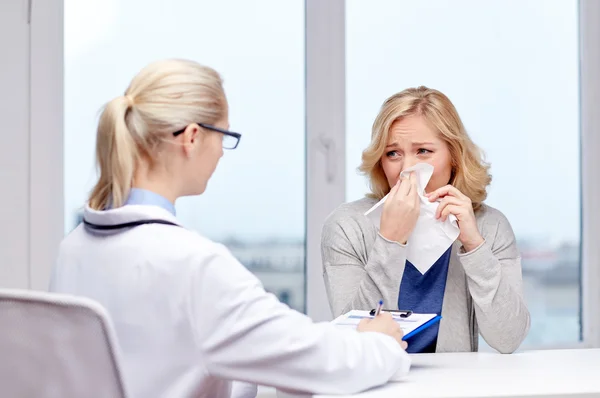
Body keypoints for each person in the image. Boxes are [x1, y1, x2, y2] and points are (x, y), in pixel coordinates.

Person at [49, 59, 411, 398]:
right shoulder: (191, 263)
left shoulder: (75, 247)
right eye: (222, 135)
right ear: (192, 137)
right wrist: (380, 343)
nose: (222, 152)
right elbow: (321, 363)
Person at [321, 86, 530, 355]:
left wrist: (475, 246)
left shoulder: (490, 226)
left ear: (454, 157)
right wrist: (390, 240)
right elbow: (354, 340)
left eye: (423, 151)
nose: (407, 168)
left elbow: (508, 338)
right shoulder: (347, 226)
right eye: (392, 153)